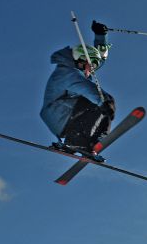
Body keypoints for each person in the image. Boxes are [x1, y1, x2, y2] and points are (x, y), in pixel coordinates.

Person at [40, 20, 116, 154]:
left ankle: (92, 142)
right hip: (58, 114)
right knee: (99, 102)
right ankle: (77, 141)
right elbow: (85, 87)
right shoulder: (67, 73)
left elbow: (98, 58)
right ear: (81, 60)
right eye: (90, 66)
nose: (91, 71)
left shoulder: (79, 66)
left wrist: (101, 36)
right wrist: (105, 101)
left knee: (103, 103)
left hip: (66, 113)